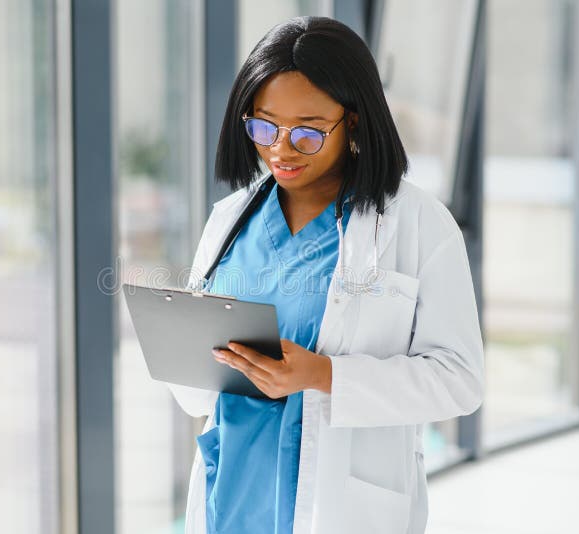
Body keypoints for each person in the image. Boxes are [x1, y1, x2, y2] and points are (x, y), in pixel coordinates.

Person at [166, 15, 484, 534]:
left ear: (353, 120)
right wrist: (182, 341)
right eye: (263, 126)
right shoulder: (230, 218)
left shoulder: (417, 222)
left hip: (343, 509)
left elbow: (460, 381)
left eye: (308, 133)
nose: (280, 149)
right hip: (234, 496)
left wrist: (322, 374)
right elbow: (198, 394)